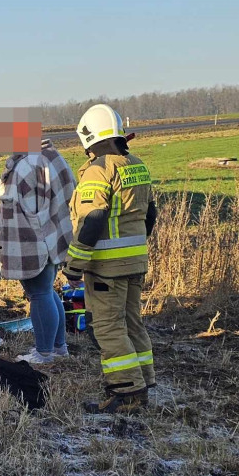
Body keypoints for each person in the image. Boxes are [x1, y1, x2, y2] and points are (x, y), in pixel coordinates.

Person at [62, 104, 156, 414]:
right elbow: (150, 215)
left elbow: (94, 218)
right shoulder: (137, 164)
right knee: (132, 323)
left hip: (107, 267)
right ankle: (142, 384)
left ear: (88, 136)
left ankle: (126, 393)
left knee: (108, 328)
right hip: (135, 262)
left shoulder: (99, 169)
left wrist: (74, 264)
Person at [0, 134, 77, 364]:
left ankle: (44, 352)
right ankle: (59, 347)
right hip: (52, 235)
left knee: (39, 294)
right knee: (48, 291)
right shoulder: (49, 155)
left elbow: (25, 203)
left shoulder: (29, 163)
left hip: (32, 241)